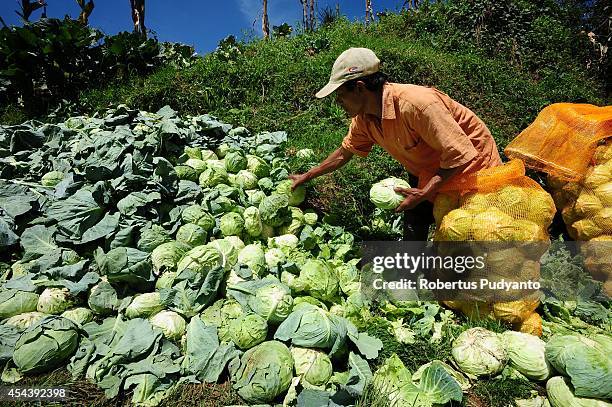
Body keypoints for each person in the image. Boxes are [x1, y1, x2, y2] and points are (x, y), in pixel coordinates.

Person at [289, 47, 503, 240]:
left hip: (472, 169)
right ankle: (412, 274)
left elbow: (459, 153)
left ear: (360, 88)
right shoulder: (364, 119)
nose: (338, 104)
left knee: (474, 232)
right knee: (415, 221)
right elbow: (343, 153)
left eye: (341, 96)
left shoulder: (417, 104)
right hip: (428, 169)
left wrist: (427, 191)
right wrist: (307, 176)